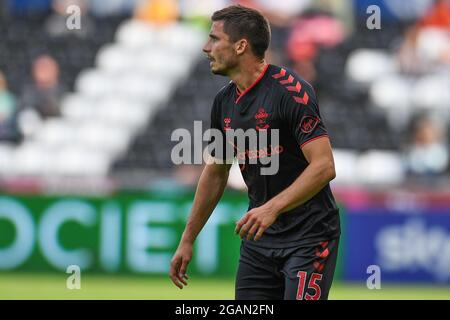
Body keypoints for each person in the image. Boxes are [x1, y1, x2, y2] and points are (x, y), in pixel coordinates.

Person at [169, 4, 340, 300]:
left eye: (214, 39)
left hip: (309, 236)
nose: (205, 47)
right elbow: (216, 171)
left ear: (240, 46)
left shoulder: (291, 92)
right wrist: (187, 238)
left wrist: (271, 208)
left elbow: (324, 167)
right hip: (259, 240)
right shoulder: (223, 101)